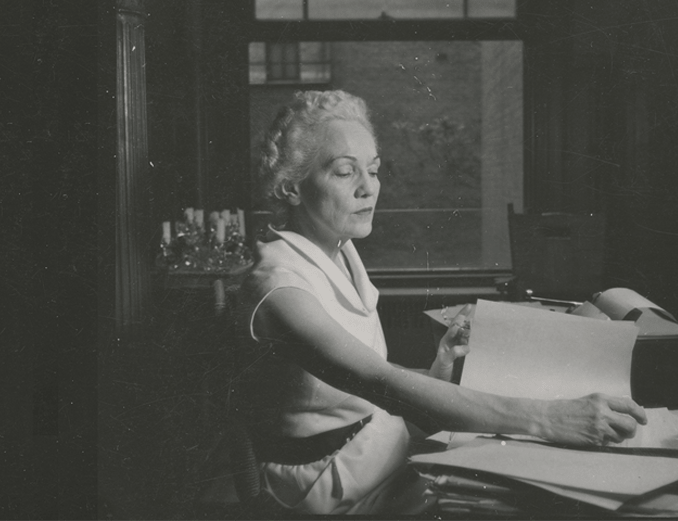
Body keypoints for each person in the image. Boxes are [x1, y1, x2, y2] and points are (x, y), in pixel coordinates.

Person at [234, 90, 647, 515]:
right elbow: (380, 381)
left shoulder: (337, 252)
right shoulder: (278, 288)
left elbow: (359, 390)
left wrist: (439, 368)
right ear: (291, 187)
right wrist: (549, 418)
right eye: (344, 172)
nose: (368, 188)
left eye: (373, 171)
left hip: (374, 451)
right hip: (330, 486)